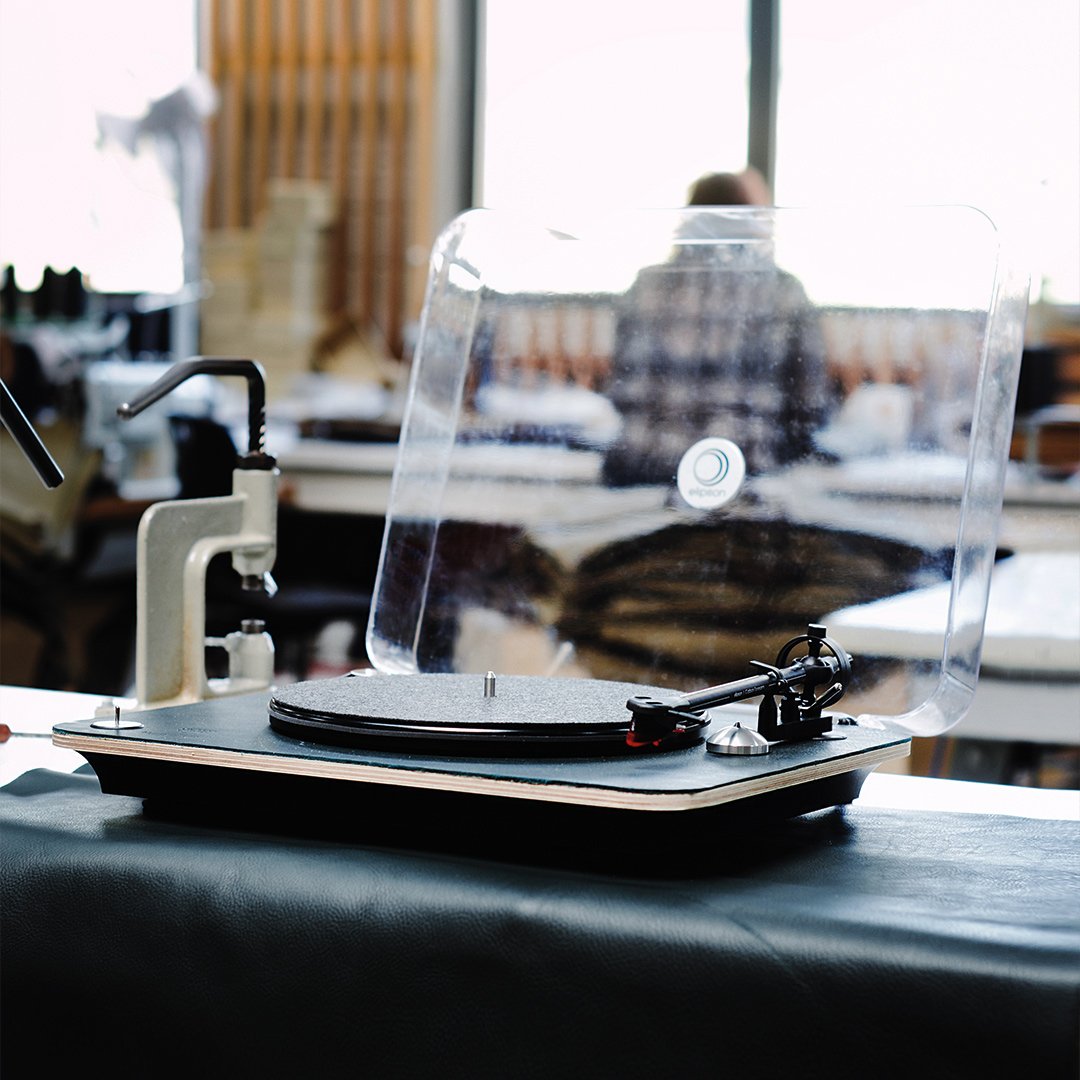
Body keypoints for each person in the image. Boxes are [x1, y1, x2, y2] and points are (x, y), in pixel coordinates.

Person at [601, 169, 834, 485]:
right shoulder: (783, 289)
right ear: (748, 219)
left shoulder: (646, 285)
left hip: (643, 462)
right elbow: (809, 405)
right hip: (739, 468)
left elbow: (620, 386)